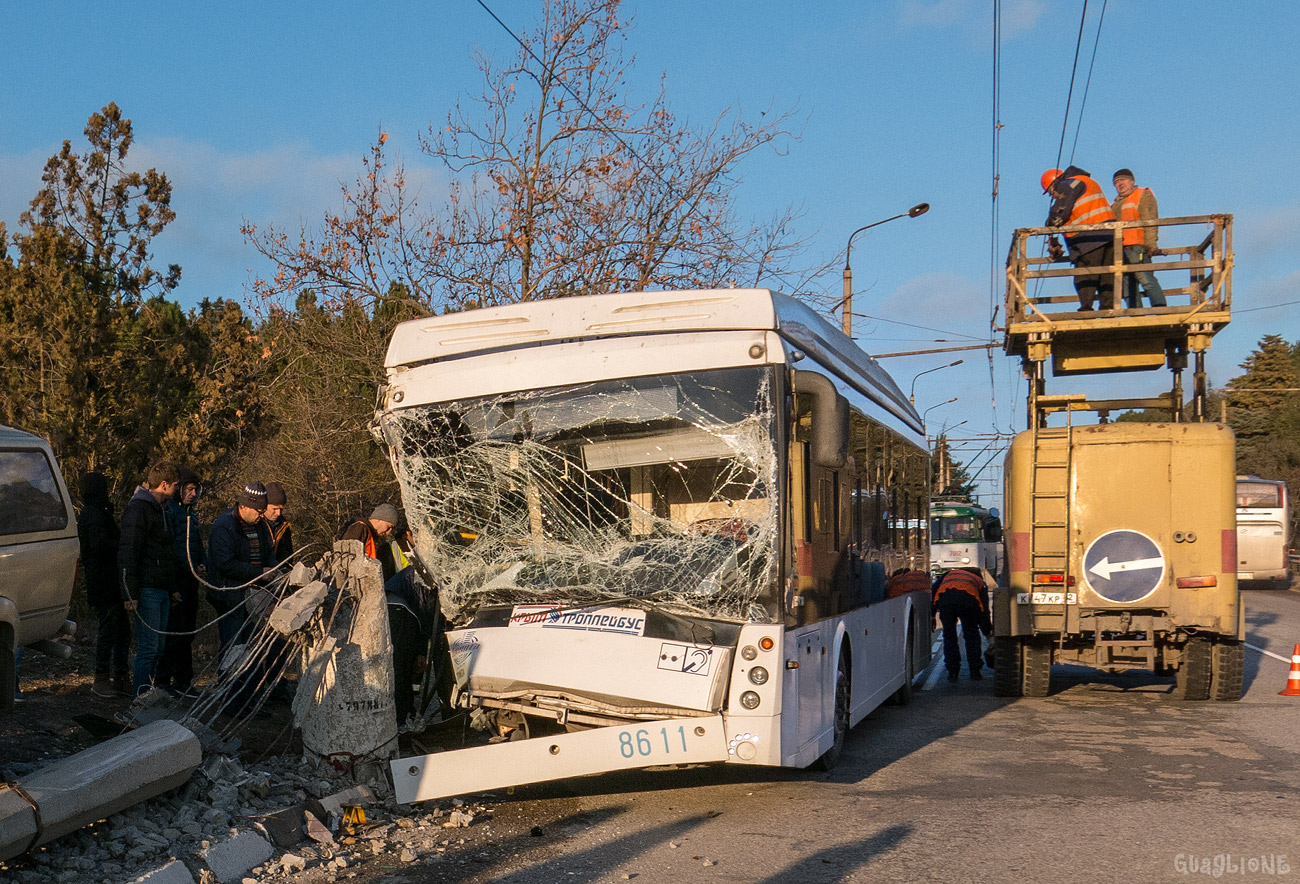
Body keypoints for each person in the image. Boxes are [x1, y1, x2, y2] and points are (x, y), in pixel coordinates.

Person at [118, 461, 180, 697]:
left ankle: (148, 698)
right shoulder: (139, 509)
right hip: (146, 589)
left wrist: (172, 587)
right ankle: (140, 701)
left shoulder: (164, 510)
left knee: (158, 648)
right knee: (148, 649)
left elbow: (166, 552)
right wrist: (129, 594)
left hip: (161, 589)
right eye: (174, 485)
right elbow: (128, 553)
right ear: (164, 485)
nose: (176, 490)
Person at [207, 482, 277, 659]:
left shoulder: (260, 525)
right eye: (258, 512)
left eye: (263, 512)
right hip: (230, 596)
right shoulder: (224, 526)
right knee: (233, 645)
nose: (261, 516)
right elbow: (225, 564)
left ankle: (252, 685)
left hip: (254, 596)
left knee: (254, 646)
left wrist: (274, 569)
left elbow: (268, 552)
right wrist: (260, 572)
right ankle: (228, 683)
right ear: (244, 506)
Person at [79, 471, 130, 697]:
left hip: (108, 581)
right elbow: (99, 545)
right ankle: (102, 678)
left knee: (120, 630)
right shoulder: (94, 514)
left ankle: (119, 676)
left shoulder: (96, 512)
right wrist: (123, 543)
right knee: (110, 630)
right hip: (104, 581)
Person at [1041, 166, 1118, 311]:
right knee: (1107, 273)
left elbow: (1060, 213)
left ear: (1053, 184)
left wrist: (1049, 224)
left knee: (1085, 273)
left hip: (1089, 237)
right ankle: (1108, 309)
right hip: (1109, 234)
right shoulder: (1086, 181)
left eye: (1051, 192)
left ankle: (1086, 309)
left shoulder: (1067, 184)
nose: (1053, 196)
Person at [157, 466, 205, 696]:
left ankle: (184, 680)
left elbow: (196, 543)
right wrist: (184, 573)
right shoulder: (173, 512)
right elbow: (174, 549)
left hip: (191, 580)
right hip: (177, 580)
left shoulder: (190, 513)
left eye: (196, 489)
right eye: (189, 489)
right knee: (173, 632)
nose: (193, 494)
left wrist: (202, 562)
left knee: (188, 632)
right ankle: (163, 680)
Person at [1110, 168, 1166, 309]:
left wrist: (1151, 246)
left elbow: (1150, 221)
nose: (1120, 184)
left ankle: (1160, 309)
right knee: (1126, 286)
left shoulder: (1142, 195)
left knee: (1145, 279)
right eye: (1116, 182)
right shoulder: (1115, 204)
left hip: (1137, 247)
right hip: (1120, 251)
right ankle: (1136, 313)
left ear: (1132, 181)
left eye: (1123, 180)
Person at [931, 567, 993, 681]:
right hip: (968, 603)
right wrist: (987, 631)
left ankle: (952, 672)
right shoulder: (978, 581)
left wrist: (932, 614)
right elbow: (983, 610)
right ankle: (975, 671)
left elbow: (934, 590)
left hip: (946, 603)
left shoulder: (948, 574)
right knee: (971, 635)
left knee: (949, 637)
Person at [339, 503, 401, 582]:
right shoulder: (359, 528)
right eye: (389, 527)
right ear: (379, 519)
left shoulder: (367, 532)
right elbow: (345, 560)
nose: (388, 532)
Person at [263, 482, 294, 563]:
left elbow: (288, 556)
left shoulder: (284, 525)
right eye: (275, 509)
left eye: (281, 509)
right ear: (264, 505)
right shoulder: (254, 524)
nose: (278, 513)